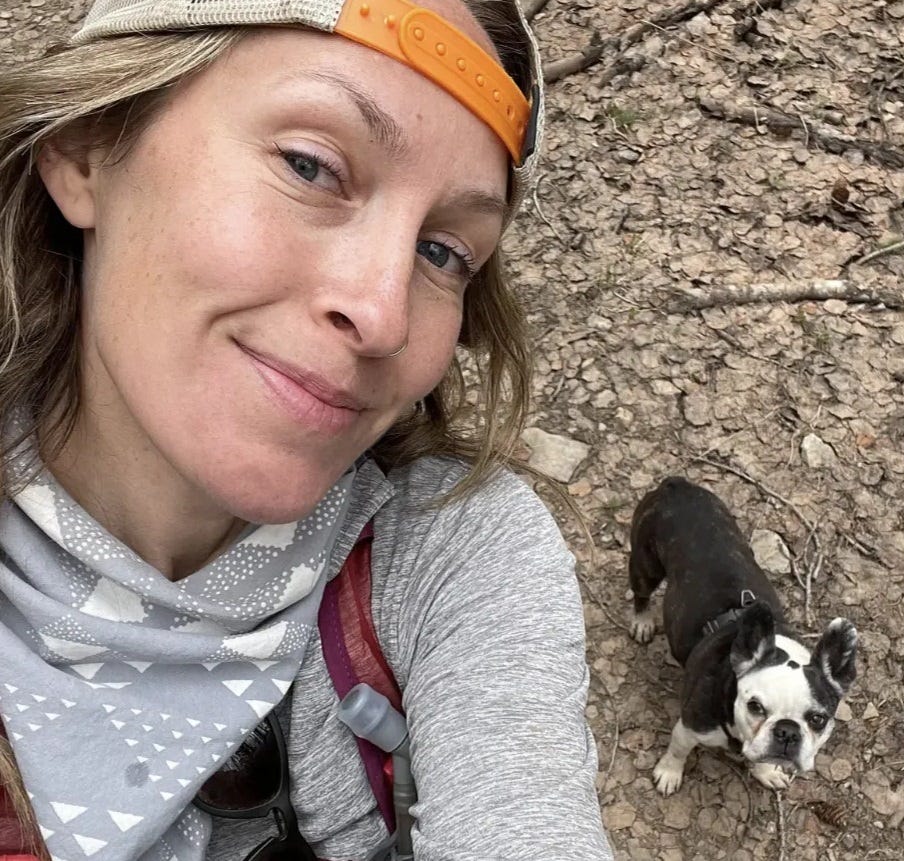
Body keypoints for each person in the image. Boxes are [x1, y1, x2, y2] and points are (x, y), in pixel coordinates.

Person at [0, 0, 613, 858]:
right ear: (88, 146)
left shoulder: (446, 552)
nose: (384, 314)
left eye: (443, 252)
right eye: (312, 165)